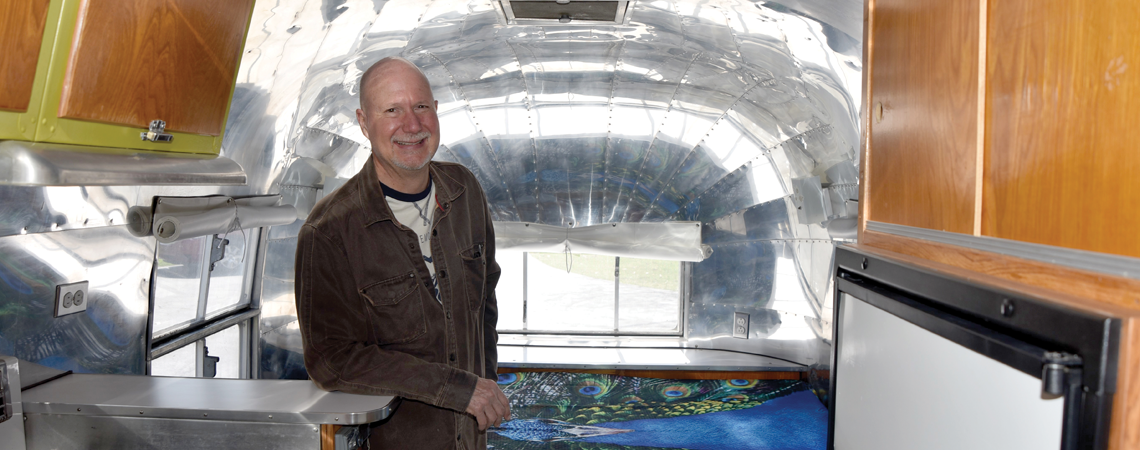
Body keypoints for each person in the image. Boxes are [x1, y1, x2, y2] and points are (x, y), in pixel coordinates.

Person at [295, 56, 511, 449]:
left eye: (421, 106)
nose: (412, 125)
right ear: (364, 122)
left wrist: (486, 385)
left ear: (437, 112)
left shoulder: (465, 192)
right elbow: (331, 359)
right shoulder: (328, 231)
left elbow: (485, 301)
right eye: (392, 110)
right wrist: (457, 388)